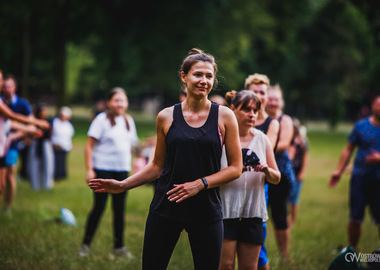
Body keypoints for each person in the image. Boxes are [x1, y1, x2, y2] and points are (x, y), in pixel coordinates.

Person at [89, 48, 242, 269]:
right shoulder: (166, 116)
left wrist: (200, 184)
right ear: (184, 76)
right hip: (166, 205)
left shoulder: (225, 116)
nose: (204, 81)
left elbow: (236, 168)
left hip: (206, 209)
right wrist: (122, 185)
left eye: (209, 76)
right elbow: (157, 166)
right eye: (198, 74)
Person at [219, 90, 280, 270]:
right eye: (246, 109)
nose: (252, 114)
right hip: (225, 211)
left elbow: (276, 178)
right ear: (232, 109)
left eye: (255, 110)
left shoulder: (262, 140)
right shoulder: (221, 138)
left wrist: (267, 171)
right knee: (226, 266)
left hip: (253, 212)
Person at [80, 87, 139, 258]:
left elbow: (133, 146)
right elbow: (89, 145)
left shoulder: (129, 120)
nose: (121, 104)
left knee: (119, 209)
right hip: (103, 169)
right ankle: (85, 245)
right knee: (99, 207)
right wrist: (90, 169)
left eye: (123, 100)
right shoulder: (101, 120)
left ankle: (119, 247)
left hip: (122, 170)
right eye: (117, 100)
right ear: (109, 102)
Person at [329, 95, 380, 251]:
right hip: (360, 178)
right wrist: (339, 170)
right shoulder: (361, 126)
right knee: (355, 218)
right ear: (372, 106)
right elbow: (348, 149)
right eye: (378, 104)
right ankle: (353, 252)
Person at [245, 73, 279, 270]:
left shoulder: (271, 124)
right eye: (254, 91)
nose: (258, 95)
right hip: (236, 180)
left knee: (256, 231)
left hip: (259, 182)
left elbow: (266, 151)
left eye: (262, 92)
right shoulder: (237, 117)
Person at [266, 84, 296, 260]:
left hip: (280, 174)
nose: (273, 102)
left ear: (281, 102)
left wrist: (261, 149)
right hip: (260, 173)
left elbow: (284, 143)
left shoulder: (285, 120)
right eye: (270, 99)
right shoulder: (259, 117)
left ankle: (284, 255)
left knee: (279, 215)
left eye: (276, 99)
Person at [1, 75, 33, 213]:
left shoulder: (22, 104)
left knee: (9, 176)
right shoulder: (1, 102)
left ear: (15, 88)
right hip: (1, 144)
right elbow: (12, 119)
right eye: (5, 86)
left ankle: (7, 207)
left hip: (12, 146)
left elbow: (29, 124)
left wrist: (17, 135)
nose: (7, 89)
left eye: (10, 86)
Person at [28, 104, 55, 191]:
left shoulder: (48, 121)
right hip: (35, 144)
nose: (44, 113)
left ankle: (47, 185)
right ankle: (35, 185)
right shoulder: (34, 121)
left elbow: (50, 134)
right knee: (34, 165)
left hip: (45, 143)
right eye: (43, 111)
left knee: (48, 165)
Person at [288, 119, 309, 227]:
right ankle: (287, 219)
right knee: (286, 199)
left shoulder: (302, 141)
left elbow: (305, 157)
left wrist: (302, 172)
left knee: (295, 199)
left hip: (297, 173)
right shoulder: (287, 140)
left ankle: (293, 220)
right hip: (288, 173)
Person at [51, 106, 74, 180]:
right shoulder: (55, 122)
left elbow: (69, 136)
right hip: (55, 146)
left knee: (62, 162)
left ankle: (61, 175)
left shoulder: (69, 125)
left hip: (64, 147)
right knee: (55, 161)